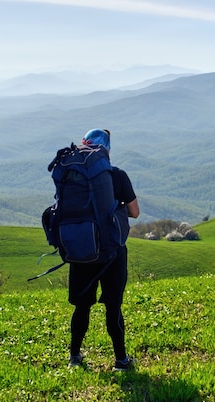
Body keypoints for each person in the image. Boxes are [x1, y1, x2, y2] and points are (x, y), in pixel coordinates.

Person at [67, 128, 140, 371]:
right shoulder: (117, 176)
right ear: (107, 150)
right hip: (112, 252)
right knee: (113, 307)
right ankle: (121, 360)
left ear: (83, 145)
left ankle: (75, 357)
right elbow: (134, 212)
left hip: (81, 250)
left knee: (82, 307)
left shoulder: (71, 175)